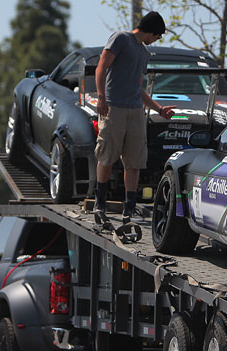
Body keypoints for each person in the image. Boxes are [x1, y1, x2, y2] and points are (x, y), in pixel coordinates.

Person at [93, 11, 176, 226]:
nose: (157, 40)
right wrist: (101, 97)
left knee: (135, 161)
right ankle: (99, 203)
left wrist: (158, 109)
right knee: (107, 155)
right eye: (158, 36)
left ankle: (129, 208)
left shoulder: (144, 52)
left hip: (135, 110)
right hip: (114, 107)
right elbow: (102, 66)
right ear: (152, 31)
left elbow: (137, 87)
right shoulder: (121, 38)